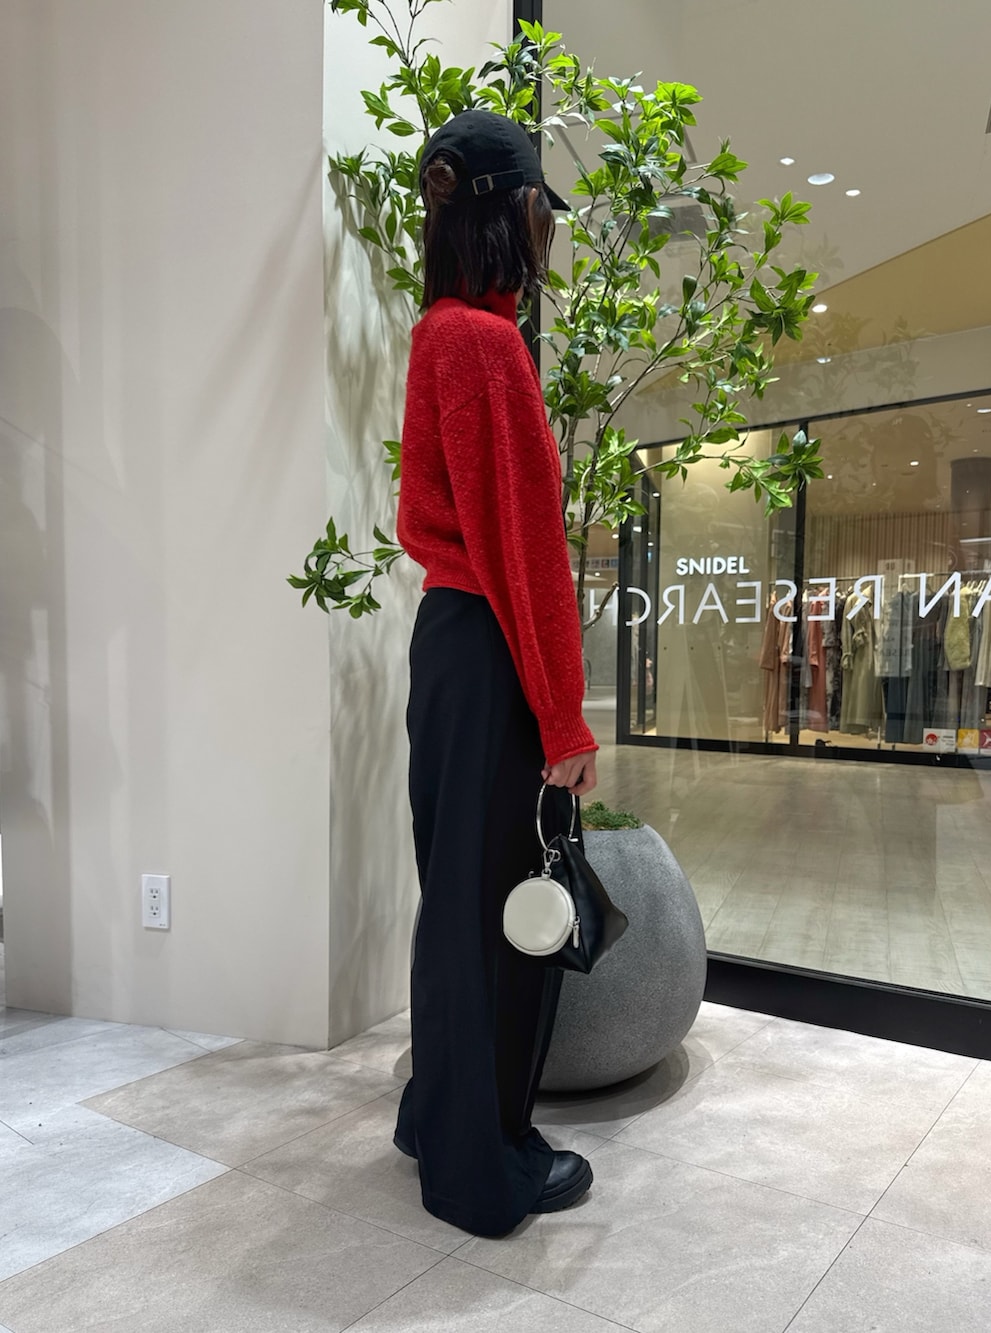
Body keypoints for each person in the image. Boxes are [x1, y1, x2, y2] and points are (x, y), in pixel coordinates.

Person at [392, 109, 599, 1238]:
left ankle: (439, 1117)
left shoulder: (443, 330)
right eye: (535, 212)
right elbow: (525, 551)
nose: (542, 233)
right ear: (502, 213)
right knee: (491, 915)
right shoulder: (481, 342)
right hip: (489, 649)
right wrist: (564, 719)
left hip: (453, 647)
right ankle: (481, 1168)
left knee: (457, 905)